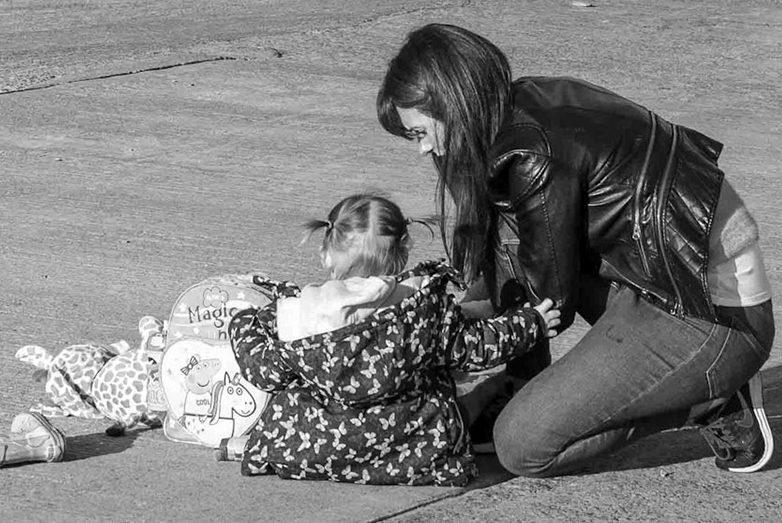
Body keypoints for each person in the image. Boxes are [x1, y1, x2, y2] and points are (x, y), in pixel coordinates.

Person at [376, 23, 775, 477]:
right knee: (505, 242)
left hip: (714, 317)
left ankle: (711, 399)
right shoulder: (518, 104)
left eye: (419, 133)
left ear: (452, 101)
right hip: (661, 281)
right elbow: (510, 261)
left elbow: (549, 305)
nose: (422, 148)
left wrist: (438, 335)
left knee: (521, 444)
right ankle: (521, 383)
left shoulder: (531, 157)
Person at [224, 193, 559, 486]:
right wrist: (531, 323)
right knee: (446, 405)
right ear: (402, 255)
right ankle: (493, 389)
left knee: (290, 399)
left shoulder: (302, 313)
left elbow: (263, 370)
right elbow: (475, 346)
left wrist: (243, 323)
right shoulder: (419, 308)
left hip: (315, 445)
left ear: (326, 253)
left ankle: (252, 445)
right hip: (413, 447)